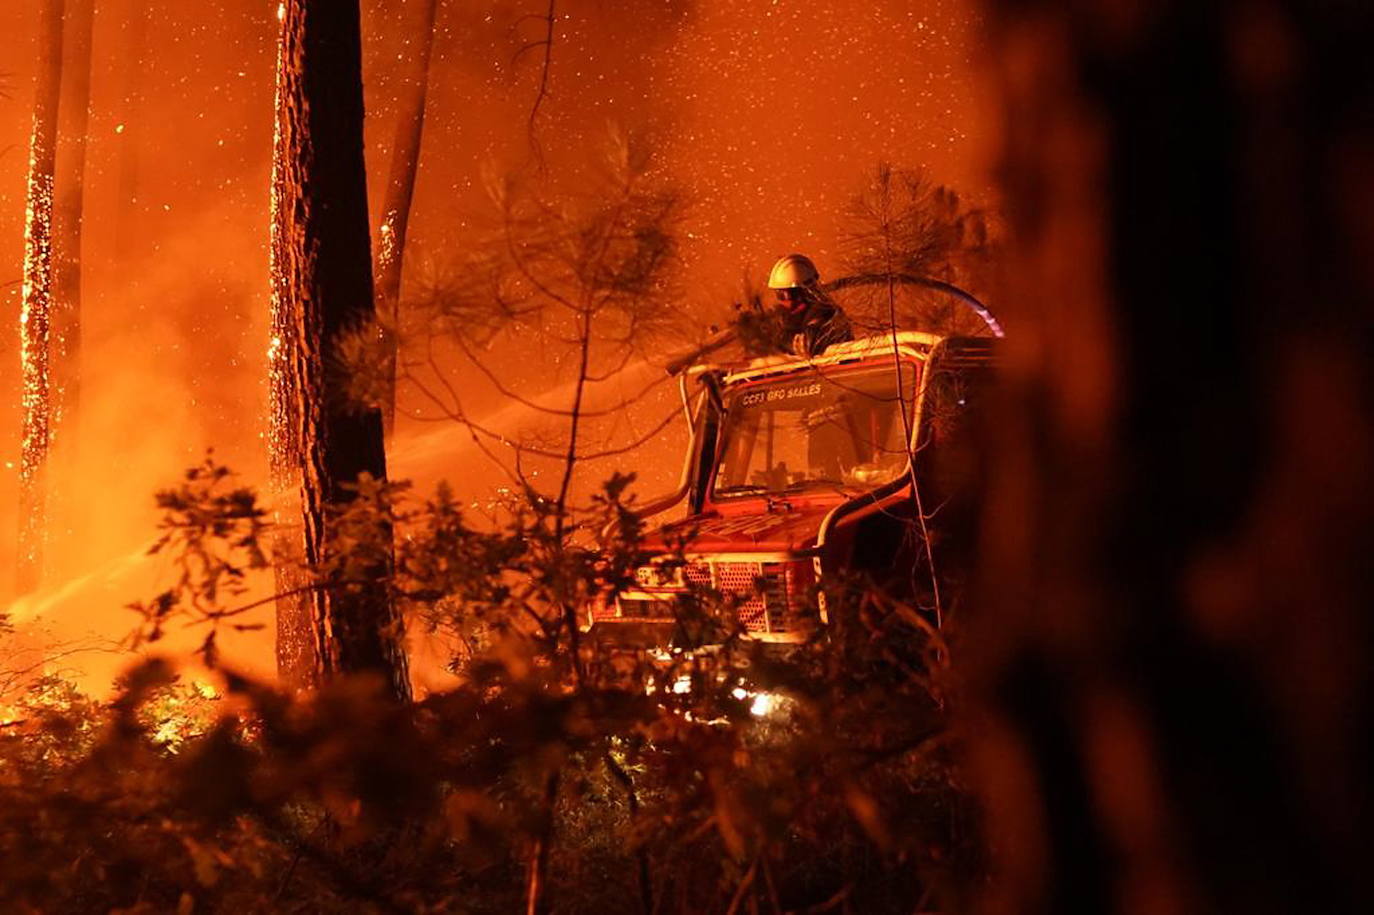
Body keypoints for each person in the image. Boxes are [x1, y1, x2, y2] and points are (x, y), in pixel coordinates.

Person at [765, 253, 852, 357]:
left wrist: (777, 337)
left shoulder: (825, 312)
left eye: (792, 293)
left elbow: (809, 345)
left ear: (807, 291)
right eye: (780, 294)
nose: (787, 299)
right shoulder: (790, 318)